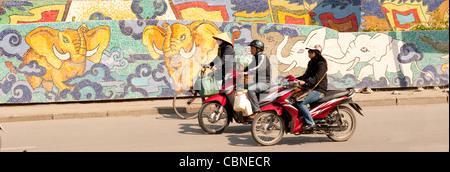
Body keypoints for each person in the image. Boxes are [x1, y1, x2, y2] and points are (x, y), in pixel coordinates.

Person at [295, 44, 328, 130]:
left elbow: (316, 79)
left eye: (311, 51)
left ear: (316, 53)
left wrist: (304, 82)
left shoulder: (321, 65)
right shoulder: (311, 62)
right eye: (309, 51)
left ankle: (310, 122)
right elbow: (306, 76)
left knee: (300, 102)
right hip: (310, 89)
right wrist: (294, 79)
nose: (308, 53)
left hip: (319, 90)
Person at [244, 40, 272, 118]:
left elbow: (259, 68)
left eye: (252, 48)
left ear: (258, 49)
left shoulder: (262, 57)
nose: (251, 50)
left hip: (264, 82)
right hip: (256, 82)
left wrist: (248, 72)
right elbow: (249, 67)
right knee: (240, 88)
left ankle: (257, 111)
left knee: (251, 89)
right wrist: (240, 70)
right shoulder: (255, 58)